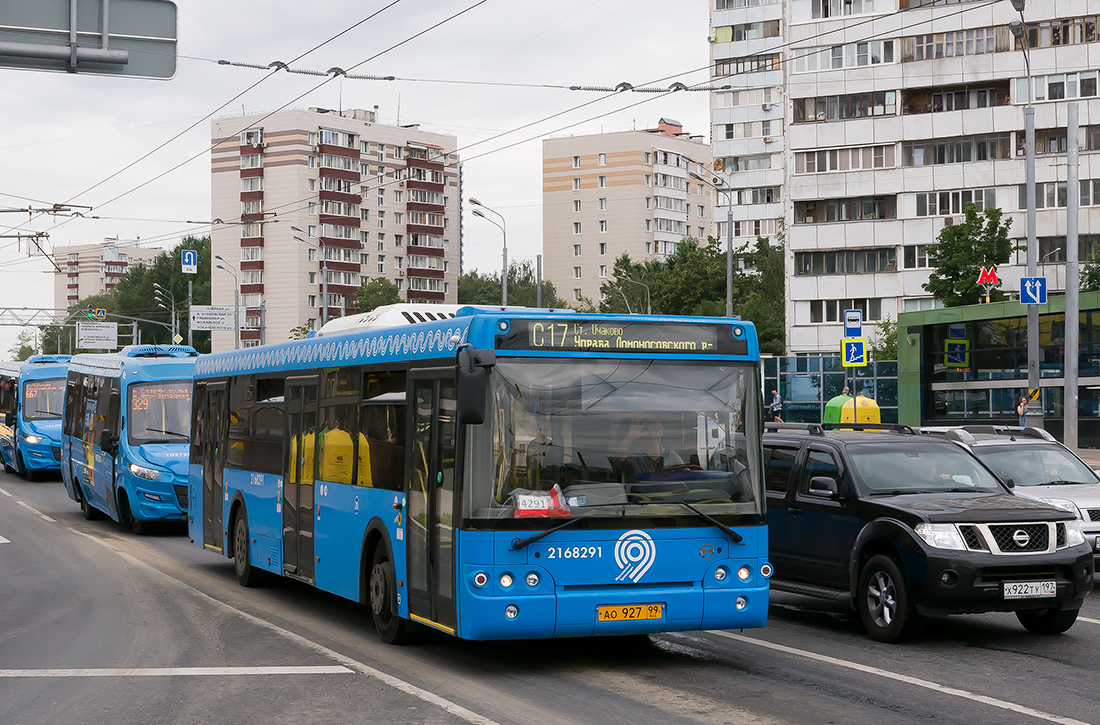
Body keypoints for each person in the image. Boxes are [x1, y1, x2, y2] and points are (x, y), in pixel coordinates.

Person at [615, 417, 684, 477]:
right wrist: (630, 437)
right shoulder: (635, 455)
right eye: (649, 429)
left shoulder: (670, 455)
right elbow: (618, 459)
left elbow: (687, 475)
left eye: (656, 429)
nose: (653, 433)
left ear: (662, 431)